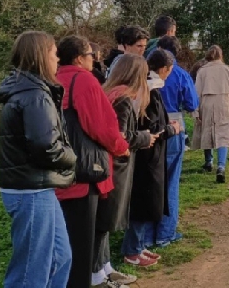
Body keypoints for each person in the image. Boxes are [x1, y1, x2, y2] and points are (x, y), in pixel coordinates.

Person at [0, 31, 77, 288]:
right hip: (29, 190)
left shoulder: (31, 89)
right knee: (31, 271)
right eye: (54, 54)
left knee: (60, 256)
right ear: (42, 56)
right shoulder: (34, 95)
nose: (57, 59)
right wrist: (72, 158)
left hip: (37, 187)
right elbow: (45, 147)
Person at [54, 36, 135, 288]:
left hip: (58, 169)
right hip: (85, 172)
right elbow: (101, 125)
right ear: (79, 58)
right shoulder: (83, 80)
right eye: (91, 55)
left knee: (64, 243)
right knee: (81, 244)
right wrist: (122, 147)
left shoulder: (52, 79)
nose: (94, 59)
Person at [93, 55, 158, 285]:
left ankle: (105, 266)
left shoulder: (110, 92)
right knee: (105, 220)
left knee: (105, 221)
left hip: (110, 164)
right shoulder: (123, 98)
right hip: (116, 166)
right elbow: (120, 136)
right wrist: (145, 137)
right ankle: (97, 273)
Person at [122, 50, 181, 267]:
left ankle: (137, 246)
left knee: (146, 200)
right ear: (165, 69)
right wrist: (172, 129)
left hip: (144, 152)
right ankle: (132, 249)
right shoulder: (151, 91)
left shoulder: (146, 88)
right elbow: (153, 129)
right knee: (143, 201)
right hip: (147, 154)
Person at [144, 35, 199, 248]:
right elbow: (192, 102)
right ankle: (165, 233)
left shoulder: (143, 71)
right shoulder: (180, 73)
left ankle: (147, 234)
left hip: (147, 128)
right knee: (170, 182)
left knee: (149, 181)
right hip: (173, 126)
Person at [192, 45, 229, 182]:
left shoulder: (202, 71)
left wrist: (196, 111)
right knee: (224, 134)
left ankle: (208, 161)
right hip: (225, 101)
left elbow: (196, 92)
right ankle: (221, 166)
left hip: (207, 102)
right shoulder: (228, 70)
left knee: (207, 131)